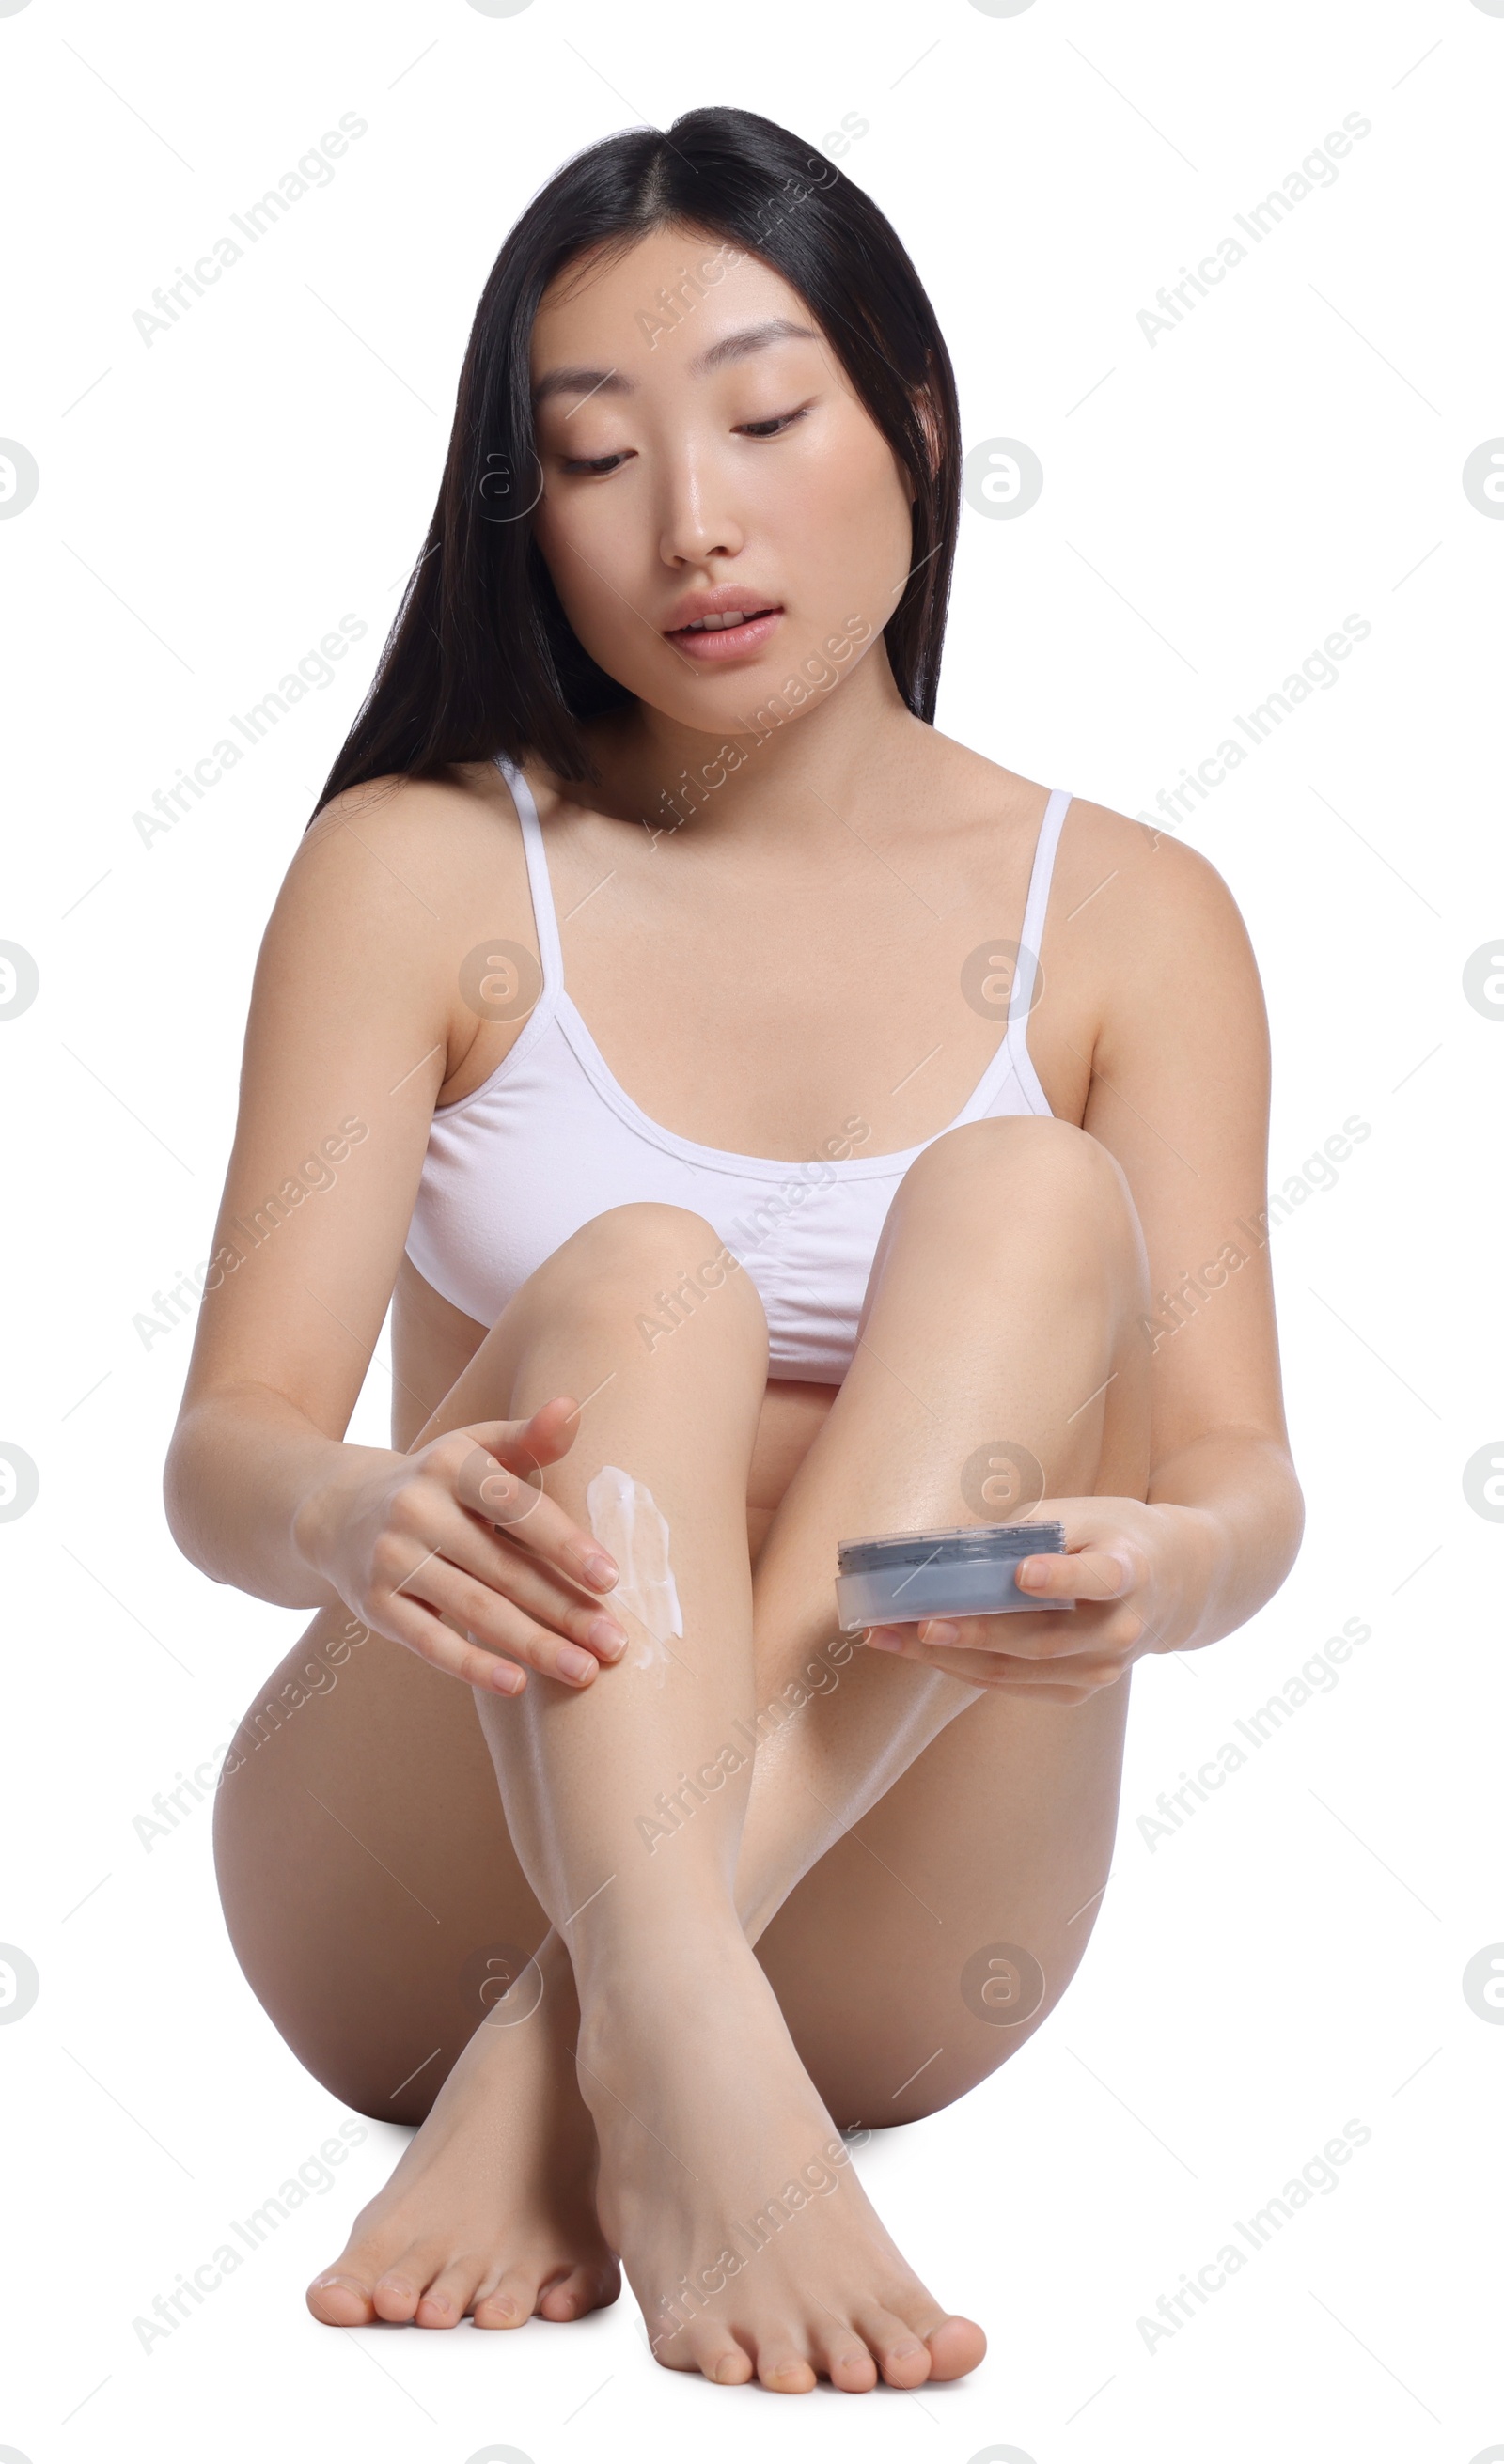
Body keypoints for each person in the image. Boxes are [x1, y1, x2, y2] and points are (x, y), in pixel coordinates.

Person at [164, 104, 1303, 2396]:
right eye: (594, 462)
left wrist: (1158, 1578)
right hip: (411, 1892)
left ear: (911, 423)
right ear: (528, 519)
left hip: (901, 1914)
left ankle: (575, 2056)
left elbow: (1239, 1478)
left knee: (1031, 1197)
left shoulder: (1134, 917)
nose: (696, 524)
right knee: (646, 1284)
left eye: (767, 419)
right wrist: (356, 1505)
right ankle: (662, 2036)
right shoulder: (420, 867)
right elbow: (223, 1453)